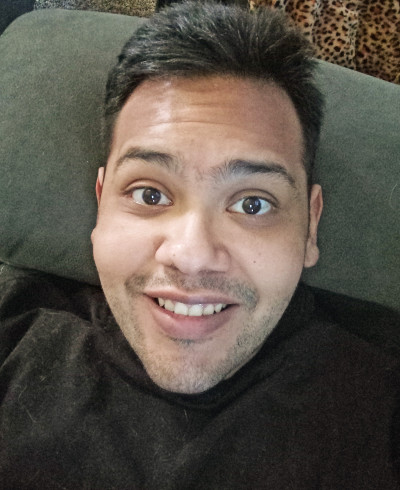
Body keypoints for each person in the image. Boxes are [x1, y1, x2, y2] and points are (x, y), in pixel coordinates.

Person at [0, 2, 399, 488]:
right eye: (150, 195)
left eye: (252, 204)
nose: (190, 256)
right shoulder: (14, 329)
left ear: (310, 226)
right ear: (101, 203)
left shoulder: (379, 403)